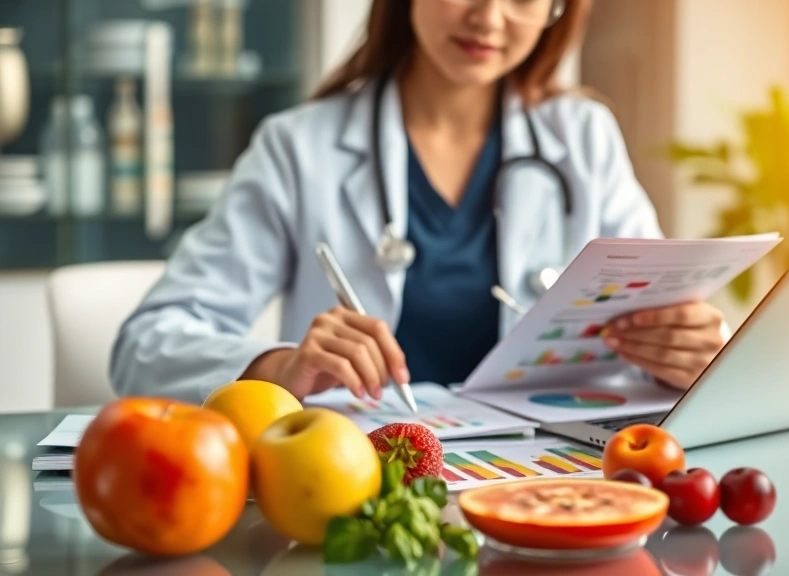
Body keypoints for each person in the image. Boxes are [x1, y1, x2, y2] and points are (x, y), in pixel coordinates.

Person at [110, 0, 728, 405]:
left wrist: (691, 350)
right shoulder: (299, 147)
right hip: (356, 489)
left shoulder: (583, 137)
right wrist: (279, 368)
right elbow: (144, 346)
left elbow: (662, 316)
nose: (489, 18)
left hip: (544, 488)